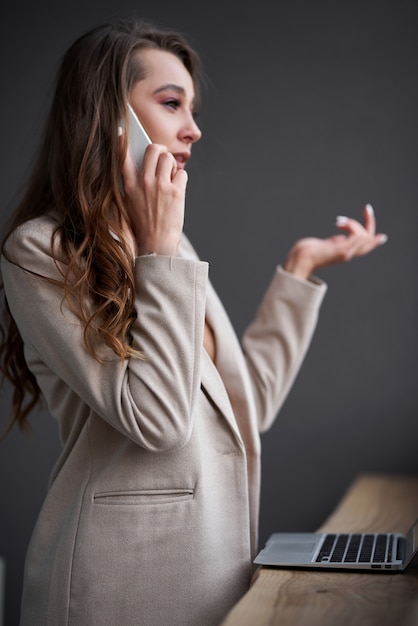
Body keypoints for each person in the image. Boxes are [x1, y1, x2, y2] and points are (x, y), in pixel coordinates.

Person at [0, 17, 387, 626]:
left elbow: (243, 407)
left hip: (214, 577)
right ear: (110, 117)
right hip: (117, 588)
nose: (194, 129)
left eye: (193, 108)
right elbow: (156, 421)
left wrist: (300, 268)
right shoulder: (40, 251)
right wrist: (159, 249)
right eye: (172, 103)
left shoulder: (170, 252)